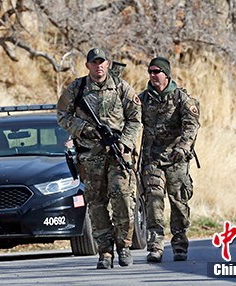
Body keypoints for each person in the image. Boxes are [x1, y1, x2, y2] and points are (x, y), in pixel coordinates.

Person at [57, 48, 142, 269]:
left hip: (117, 153)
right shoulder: (77, 88)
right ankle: (105, 252)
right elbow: (62, 115)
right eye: (94, 63)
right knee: (96, 204)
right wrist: (83, 128)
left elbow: (135, 118)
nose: (99, 66)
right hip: (91, 155)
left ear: (108, 64)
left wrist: (125, 143)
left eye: (102, 62)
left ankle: (123, 246)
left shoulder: (121, 87)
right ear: (88, 66)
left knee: (123, 199)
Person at [138, 56, 200, 263]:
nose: (153, 76)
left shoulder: (180, 98)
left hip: (176, 160)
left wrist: (183, 147)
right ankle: (155, 246)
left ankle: (180, 245)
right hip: (152, 160)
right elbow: (129, 121)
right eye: (150, 72)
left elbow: (191, 125)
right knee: (153, 203)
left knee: (178, 203)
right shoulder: (143, 99)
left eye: (157, 71)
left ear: (166, 74)